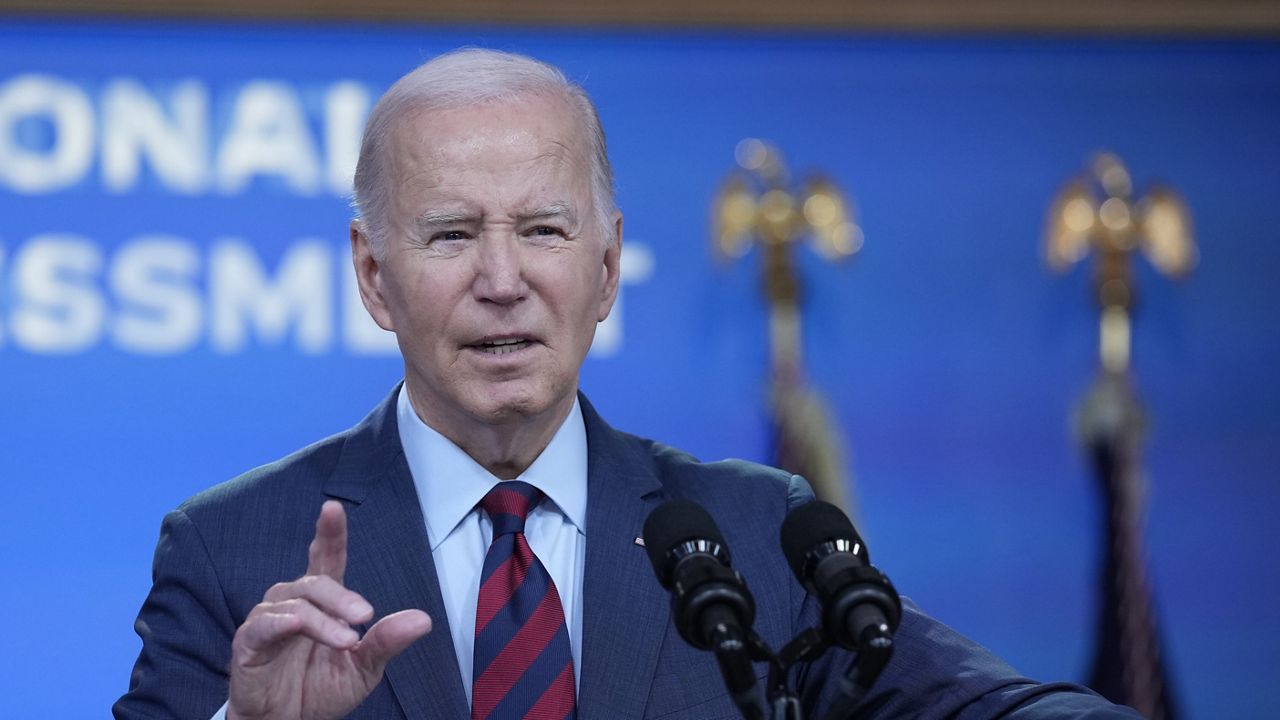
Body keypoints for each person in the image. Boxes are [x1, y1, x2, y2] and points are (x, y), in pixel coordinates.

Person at [115, 49, 1137, 720]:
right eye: (452, 234)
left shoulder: (752, 532)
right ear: (373, 277)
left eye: (544, 230)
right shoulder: (231, 552)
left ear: (605, 270)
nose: (503, 281)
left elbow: (980, 707)